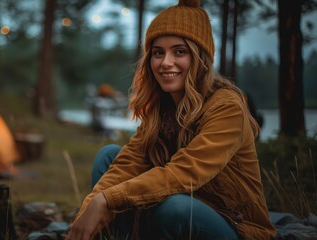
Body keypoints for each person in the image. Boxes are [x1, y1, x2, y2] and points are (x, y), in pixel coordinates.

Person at [65, 0, 276, 239]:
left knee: (175, 208)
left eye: (179, 51)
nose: (166, 62)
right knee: (109, 156)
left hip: (234, 224)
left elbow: (185, 172)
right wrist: (89, 209)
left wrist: (108, 198)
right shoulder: (162, 108)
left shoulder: (226, 106)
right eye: (158, 52)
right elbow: (130, 161)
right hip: (179, 205)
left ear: (199, 57)